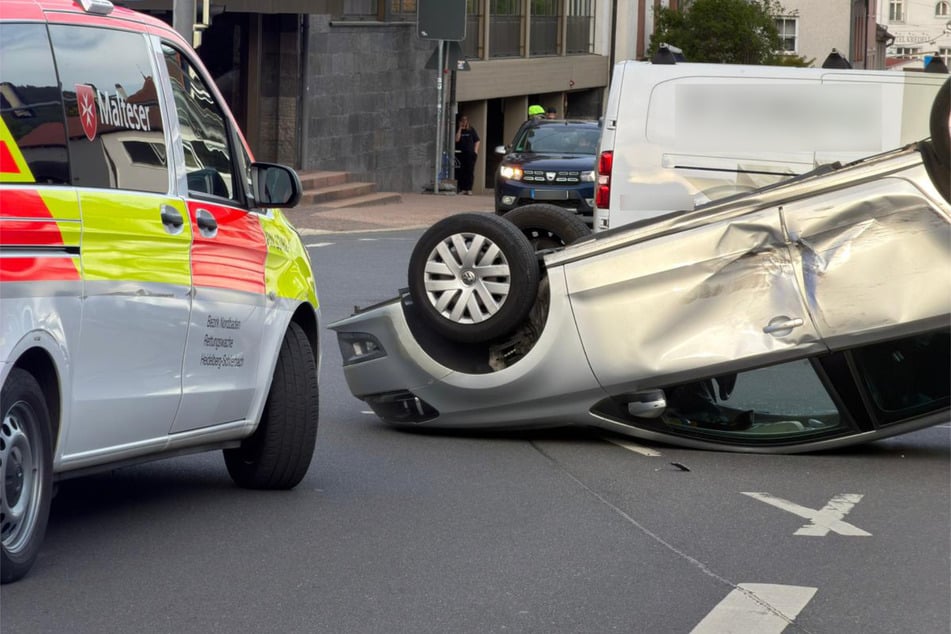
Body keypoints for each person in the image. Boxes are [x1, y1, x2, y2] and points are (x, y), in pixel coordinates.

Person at [454, 114, 480, 195]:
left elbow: (477, 140)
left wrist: (475, 151)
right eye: (462, 121)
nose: (464, 123)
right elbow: (457, 140)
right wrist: (460, 129)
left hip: (470, 153)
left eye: (465, 121)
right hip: (461, 153)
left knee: (469, 171)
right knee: (461, 171)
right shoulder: (459, 130)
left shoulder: (471, 130)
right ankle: (462, 188)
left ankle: (469, 189)